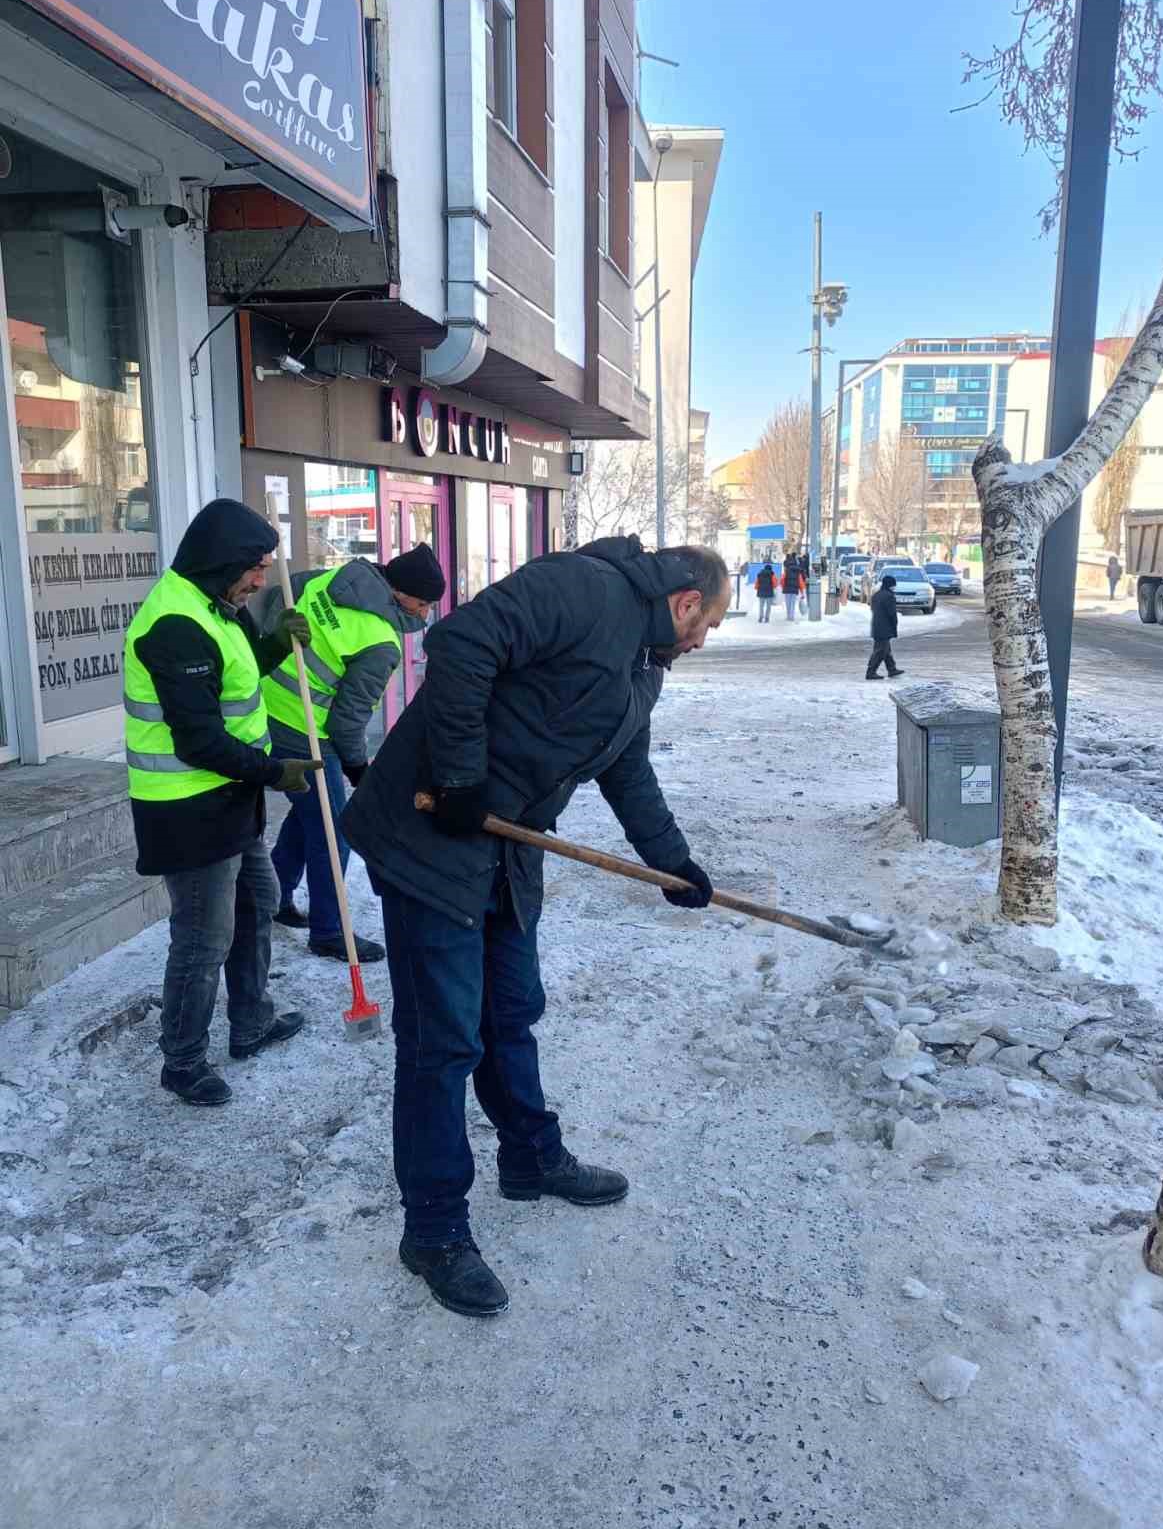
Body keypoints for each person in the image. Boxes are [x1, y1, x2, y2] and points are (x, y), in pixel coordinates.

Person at [340, 538, 730, 1318]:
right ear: (685, 602)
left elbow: (627, 768)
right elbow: (461, 641)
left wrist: (673, 861)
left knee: (512, 1012)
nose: (704, 639)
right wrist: (456, 773)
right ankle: (435, 1230)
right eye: (709, 623)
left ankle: (530, 1157)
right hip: (430, 835)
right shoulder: (583, 589)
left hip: (505, 846)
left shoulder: (644, 668)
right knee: (441, 1043)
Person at [124, 499, 321, 1108]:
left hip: (227, 803)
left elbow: (234, 679)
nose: (261, 579)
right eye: (254, 567)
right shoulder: (174, 624)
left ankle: (251, 1021)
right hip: (188, 811)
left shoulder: (216, 609)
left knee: (258, 900)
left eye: (265, 567)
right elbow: (200, 739)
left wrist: (277, 645)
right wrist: (275, 772)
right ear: (222, 562)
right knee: (203, 937)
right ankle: (182, 1062)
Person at [261, 545, 447, 963]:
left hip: (264, 706)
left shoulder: (330, 579)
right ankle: (329, 931)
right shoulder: (381, 642)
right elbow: (348, 720)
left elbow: (279, 600)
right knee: (333, 829)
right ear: (398, 592)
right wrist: (358, 768)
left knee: (311, 809)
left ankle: (275, 893)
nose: (424, 614)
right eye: (421, 603)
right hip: (302, 729)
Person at [866, 573, 905, 681]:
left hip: (877, 625)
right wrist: (894, 625)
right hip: (885, 627)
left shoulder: (877, 595)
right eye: (893, 585)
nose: (894, 587)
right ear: (890, 585)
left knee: (886, 650)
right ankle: (871, 672)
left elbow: (873, 609)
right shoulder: (889, 596)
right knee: (880, 651)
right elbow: (891, 614)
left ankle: (892, 669)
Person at [781, 551, 805, 620]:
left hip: (787, 589)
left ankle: (788, 616)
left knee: (788, 603)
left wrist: (783, 586)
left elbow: (782, 580)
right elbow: (800, 582)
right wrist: (802, 591)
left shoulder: (786, 571)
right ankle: (792, 616)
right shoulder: (797, 571)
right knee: (793, 603)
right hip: (794, 590)